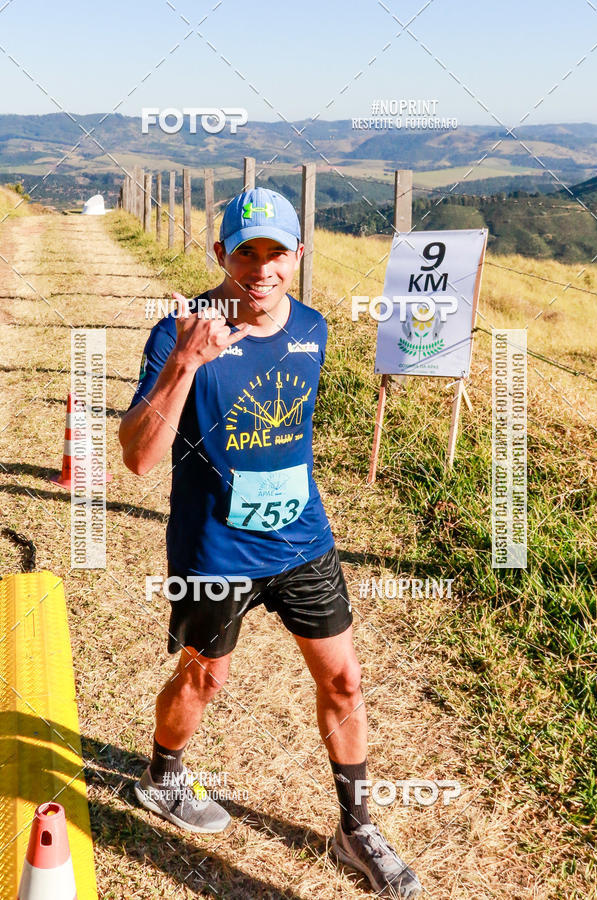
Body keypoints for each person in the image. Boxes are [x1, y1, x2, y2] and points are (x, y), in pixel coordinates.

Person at [118, 187, 422, 898]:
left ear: (298, 256)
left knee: (343, 679)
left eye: (276, 252)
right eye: (245, 251)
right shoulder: (178, 330)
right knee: (205, 677)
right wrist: (184, 364)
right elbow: (137, 458)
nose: (261, 268)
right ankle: (162, 774)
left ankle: (356, 827)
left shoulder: (313, 327)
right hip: (216, 550)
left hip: (301, 541)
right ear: (220, 253)